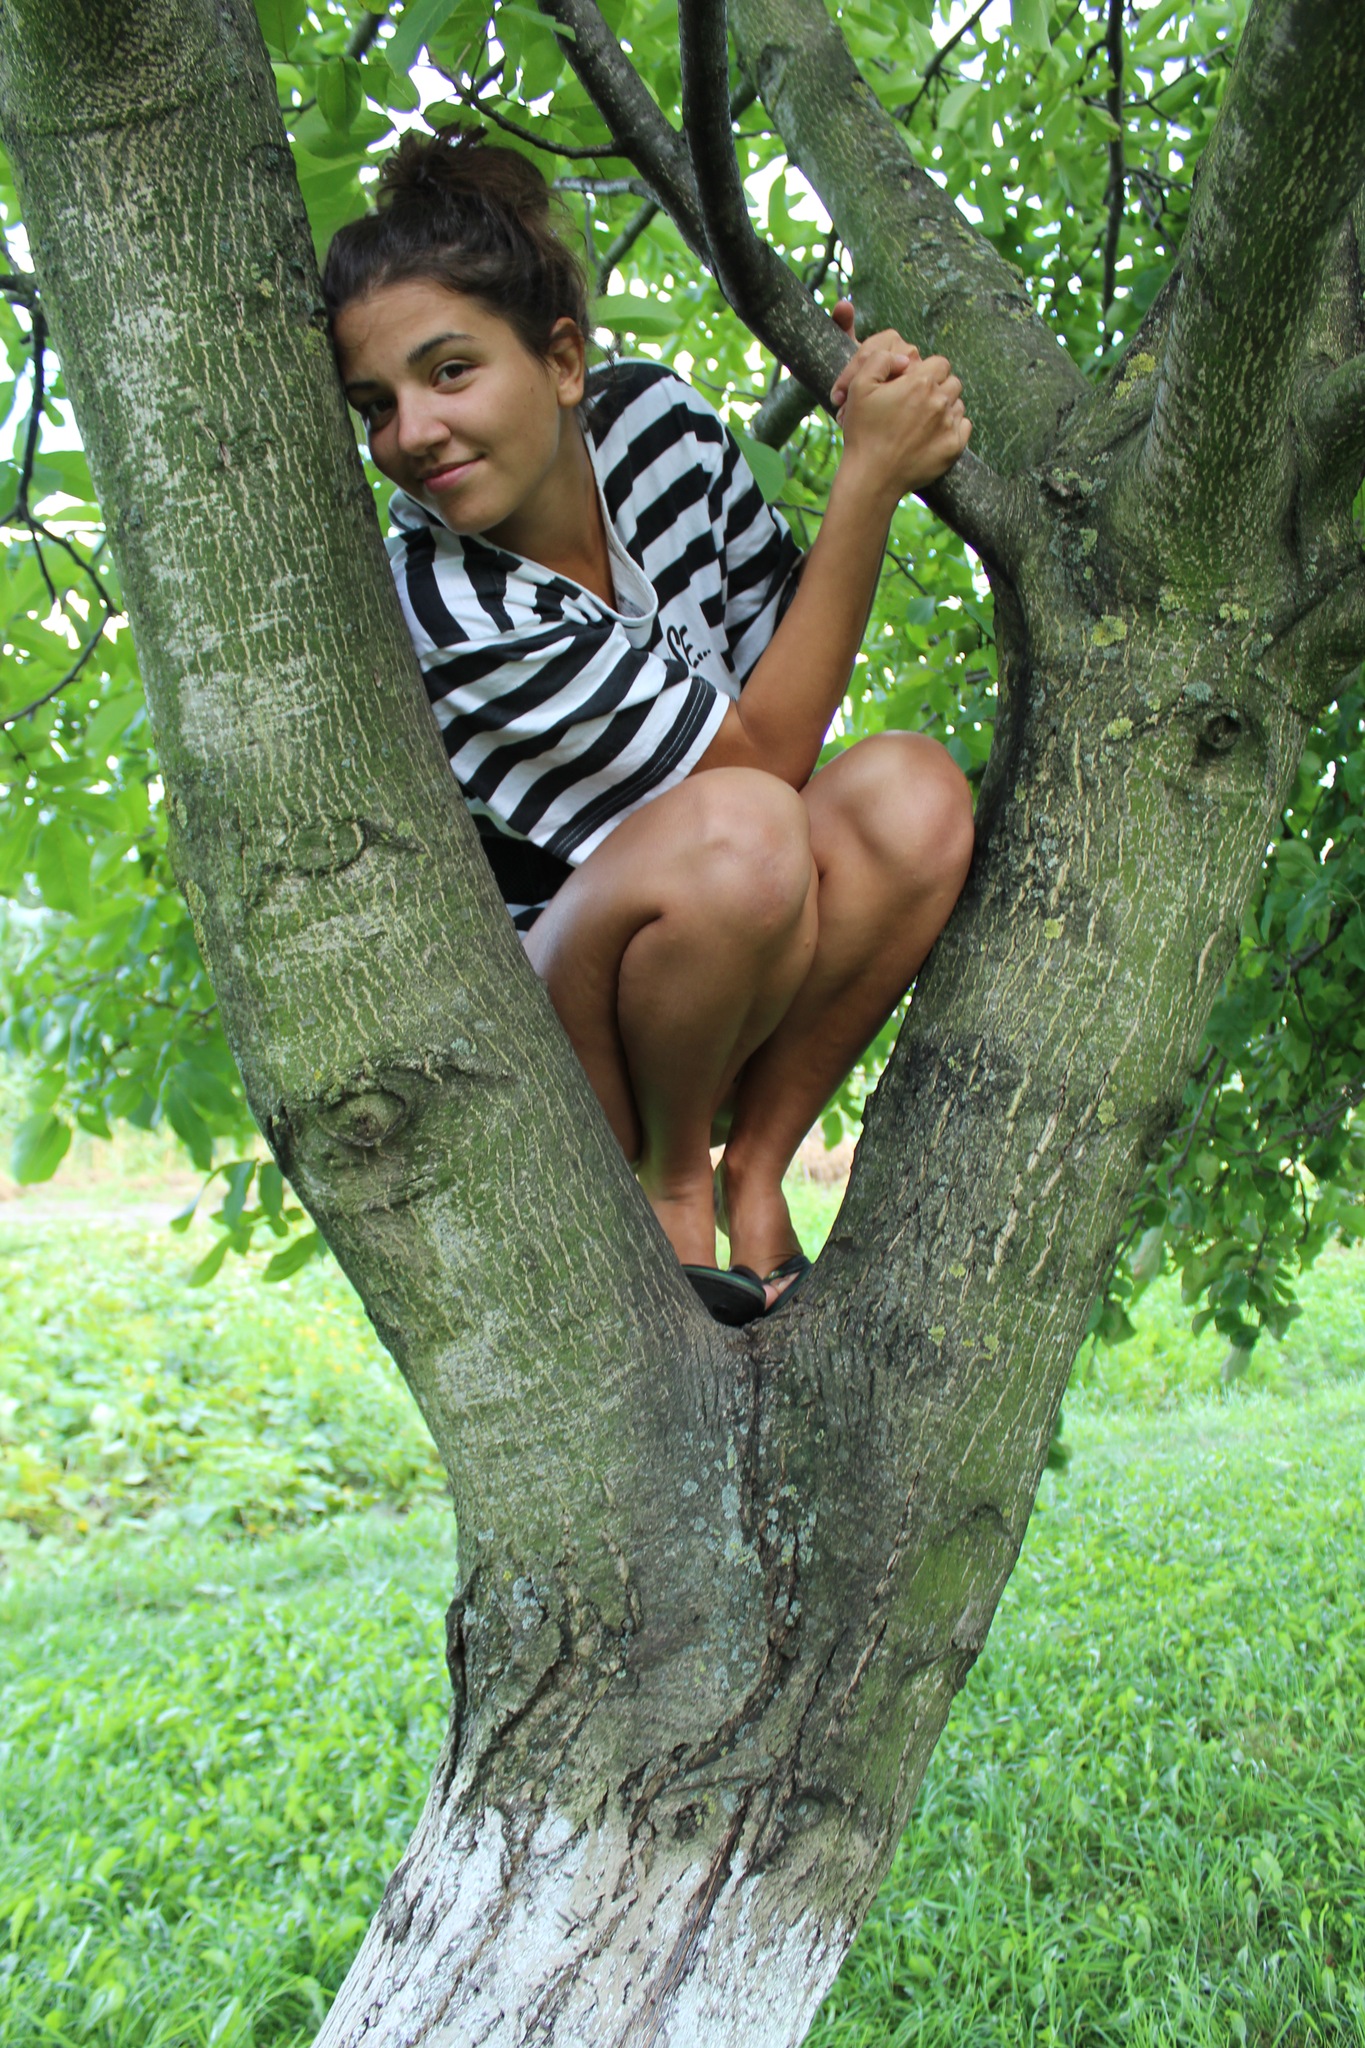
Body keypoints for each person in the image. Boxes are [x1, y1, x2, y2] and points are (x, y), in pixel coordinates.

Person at [323, 126, 974, 1325]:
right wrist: (869, 480)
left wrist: (870, 418)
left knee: (913, 793)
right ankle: (669, 1184)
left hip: (737, 974)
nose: (409, 434)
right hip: (574, 1043)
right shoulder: (443, 603)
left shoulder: (659, 429)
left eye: (449, 372)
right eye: (376, 406)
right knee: (746, 825)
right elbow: (758, 767)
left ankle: (755, 1166)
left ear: (564, 360)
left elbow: (790, 678)